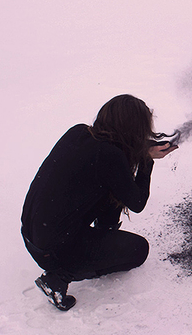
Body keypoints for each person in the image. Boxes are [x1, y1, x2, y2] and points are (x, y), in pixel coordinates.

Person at [21, 95, 178, 311]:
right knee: (138, 250)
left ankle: (103, 237)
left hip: (33, 234)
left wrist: (141, 149)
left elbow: (112, 166)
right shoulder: (110, 156)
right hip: (54, 249)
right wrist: (145, 160)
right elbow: (137, 202)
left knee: (110, 189)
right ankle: (58, 277)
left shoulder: (79, 133)